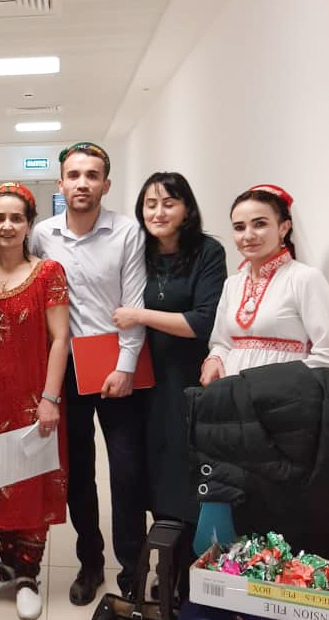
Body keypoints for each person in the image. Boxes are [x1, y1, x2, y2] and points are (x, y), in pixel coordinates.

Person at [29, 142, 148, 605]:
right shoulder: (43, 234)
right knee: (78, 472)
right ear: (61, 184)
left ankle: (132, 571)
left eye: (92, 175)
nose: (83, 183)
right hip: (67, 364)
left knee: (126, 472)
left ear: (106, 184)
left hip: (116, 363)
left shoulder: (126, 233)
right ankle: (90, 563)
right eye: (74, 175)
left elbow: (132, 307)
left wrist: (124, 368)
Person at [0, 182, 69, 620]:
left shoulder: (48, 273)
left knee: (28, 480)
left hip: (32, 398)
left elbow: (60, 338)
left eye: (16, 218)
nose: (7, 225)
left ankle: (29, 574)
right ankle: (7, 564)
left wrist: (50, 398)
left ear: (29, 224)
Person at [112, 172, 226, 525]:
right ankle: (149, 561)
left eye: (169, 203)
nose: (158, 212)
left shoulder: (207, 252)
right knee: (137, 468)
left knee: (180, 468)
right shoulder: (137, 250)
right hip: (139, 374)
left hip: (184, 377)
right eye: (150, 204)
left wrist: (138, 315)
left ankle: (182, 566)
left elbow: (203, 322)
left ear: (187, 209)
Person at [201, 183, 329, 383]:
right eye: (239, 227)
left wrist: (275, 385)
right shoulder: (232, 284)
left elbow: (326, 352)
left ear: (284, 228)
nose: (248, 235)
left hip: (285, 401)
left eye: (260, 224)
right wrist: (214, 359)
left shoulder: (304, 278)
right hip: (234, 398)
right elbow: (221, 342)